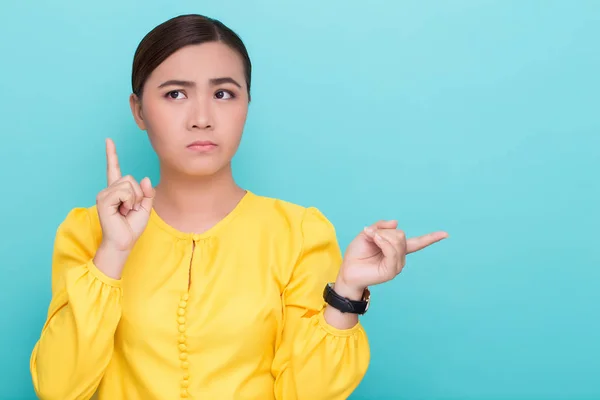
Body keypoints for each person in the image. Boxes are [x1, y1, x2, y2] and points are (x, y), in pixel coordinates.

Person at [29, 13, 448, 400]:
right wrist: (113, 253)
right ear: (138, 110)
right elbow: (58, 388)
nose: (202, 118)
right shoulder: (87, 232)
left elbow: (307, 393)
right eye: (175, 93)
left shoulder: (299, 232)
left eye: (224, 93)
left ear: (247, 103)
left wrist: (346, 294)